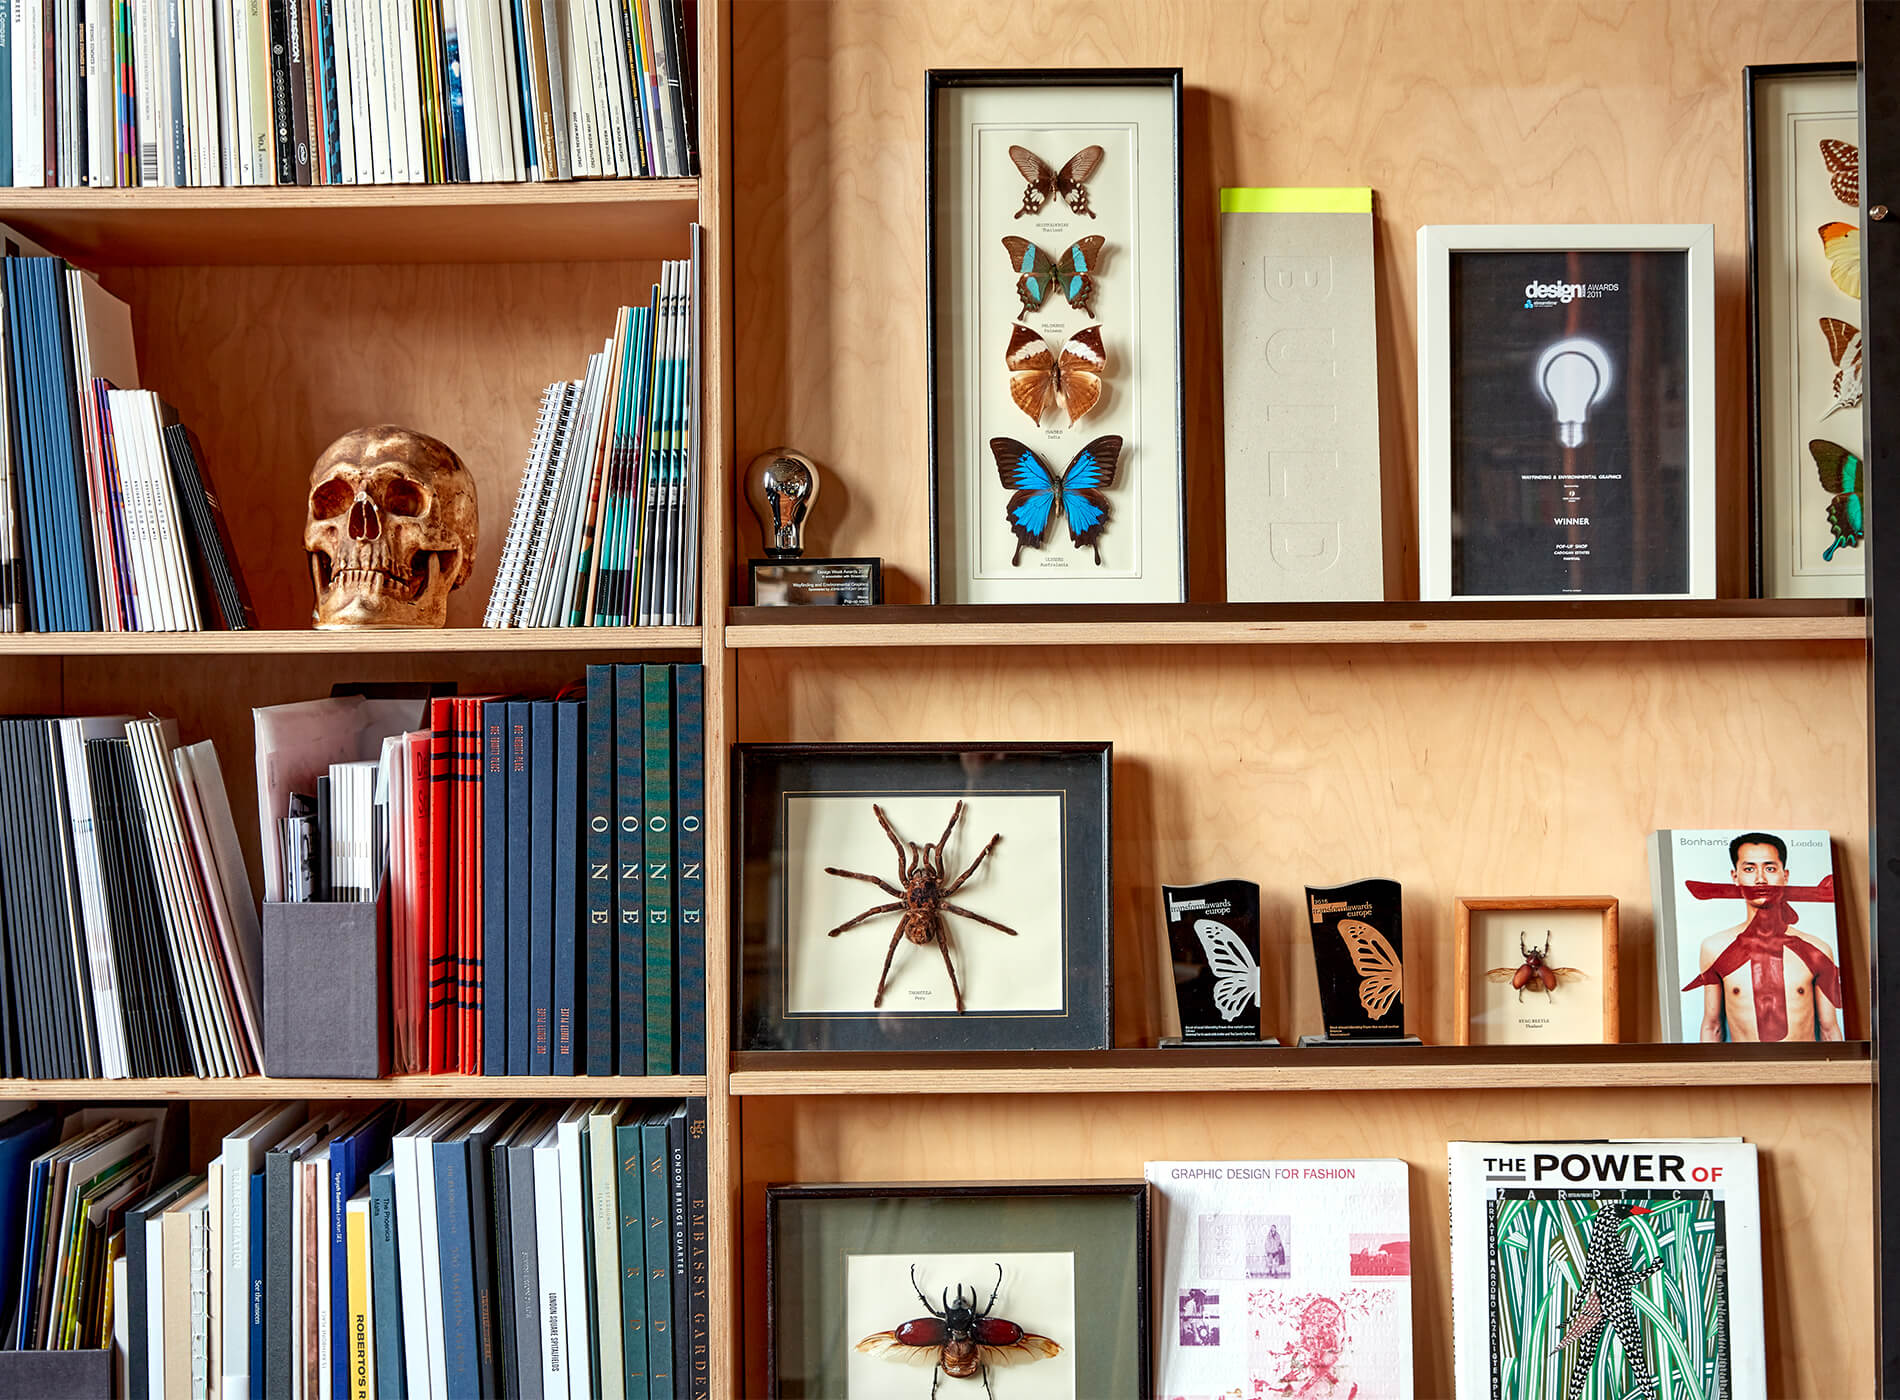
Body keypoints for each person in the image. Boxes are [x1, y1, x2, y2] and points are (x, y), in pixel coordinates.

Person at [1692, 833, 1842, 1043]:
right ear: (1735, 877)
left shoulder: (1818, 950)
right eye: (1749, 869)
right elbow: (1712, 1026)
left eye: (1770, 868)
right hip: (1743, 1071)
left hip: (1804, 1071)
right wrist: (1710, 1075)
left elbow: (1829, 1030)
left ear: (1785, 875)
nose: (1760, 878)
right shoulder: (1714, 948)